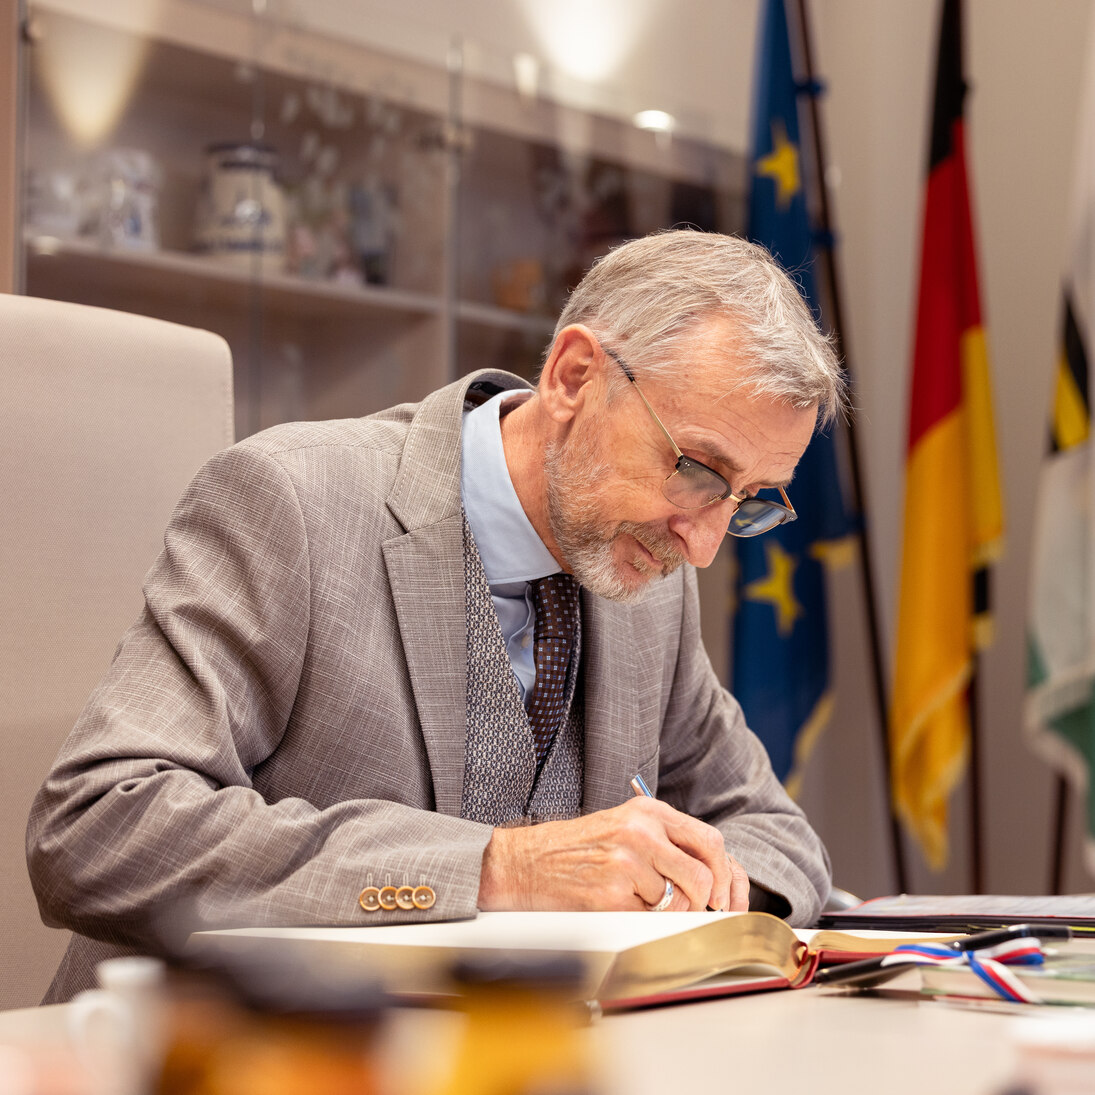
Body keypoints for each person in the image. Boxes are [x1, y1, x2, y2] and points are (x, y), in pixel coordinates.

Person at [27, 230, 843, 1003]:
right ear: (572, 377)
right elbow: (98, 827)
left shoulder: (650, 575)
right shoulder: (291, 501)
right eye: (697, 469)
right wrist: (501, 867)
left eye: (745, 502)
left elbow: (778, 835)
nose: (702, 545)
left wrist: (704, 884)